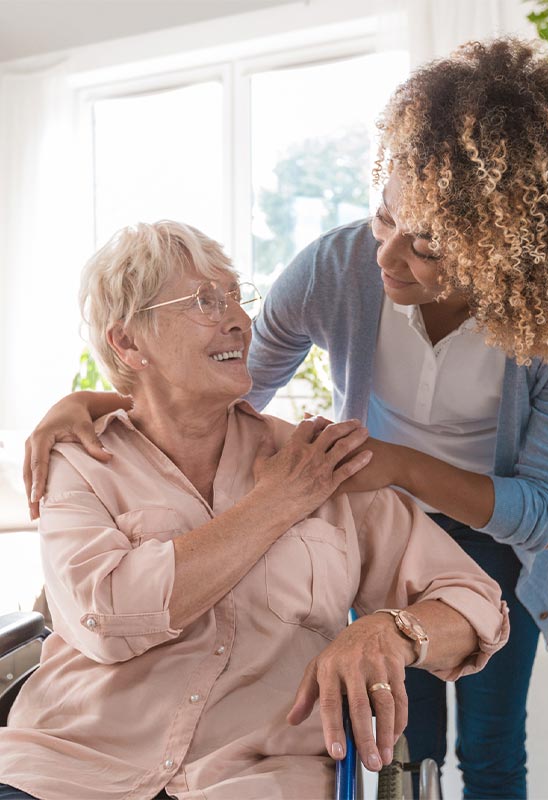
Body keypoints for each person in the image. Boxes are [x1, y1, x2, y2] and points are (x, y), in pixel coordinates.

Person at [22, 38, 548, 799]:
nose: (386, 257)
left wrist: (396, 467)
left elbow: (547, 510)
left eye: (427, 248)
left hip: (486, 533)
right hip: (356, 502)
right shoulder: (338, 266)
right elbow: (228, 391)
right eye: (384, 215)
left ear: (503, 258)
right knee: (398, 736)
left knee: (488, 749)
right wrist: (105, 399)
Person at [0, 221, 509, 800]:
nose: (240, 320)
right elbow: (111, 617)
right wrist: (276, 503)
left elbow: (477, 605)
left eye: (237, 297)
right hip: (69, 767)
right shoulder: (82, 459)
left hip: (257, 778)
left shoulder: (319, 461)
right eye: (204, 301)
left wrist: (392, 631)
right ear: (128, 343)